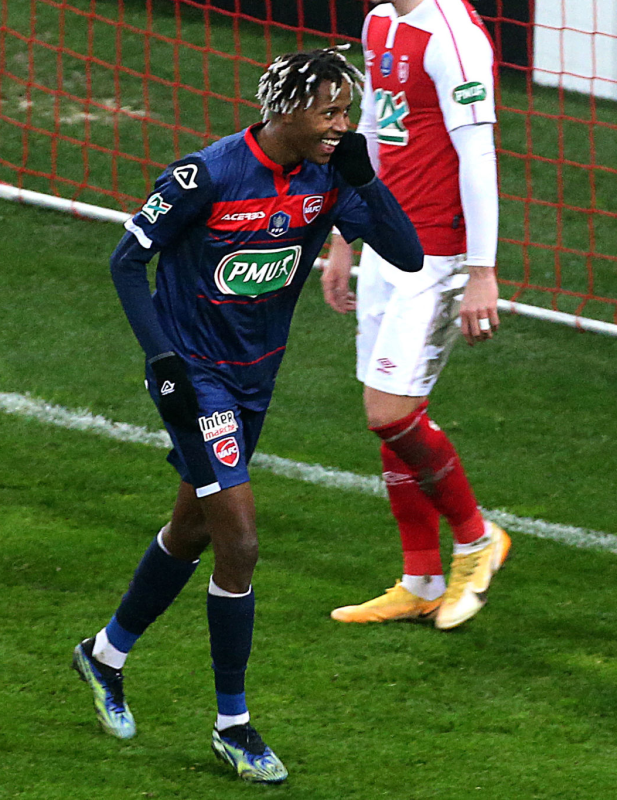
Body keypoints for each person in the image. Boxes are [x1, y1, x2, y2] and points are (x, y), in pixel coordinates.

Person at [72, 47, 423, 784]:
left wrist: (361, 177)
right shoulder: (208, 175)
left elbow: (407, 253)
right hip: (196, 379)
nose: (342, 123)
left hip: (255, 380)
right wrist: (163, 361)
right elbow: (125, 261)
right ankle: (234, 723)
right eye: (330, 112)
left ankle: (104, 655)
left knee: (191, 526)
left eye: (345, 111)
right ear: (286, 111)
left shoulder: (328, 178)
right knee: (241, 541)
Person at [324, 0, 510, 631]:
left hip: (437, 254)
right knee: (390, 411)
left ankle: (477, 538)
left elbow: (479, 156)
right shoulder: (380, 21)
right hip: (385, 240)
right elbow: (373, 137)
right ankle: (422, 579)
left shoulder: (455, 38)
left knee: (391, 410)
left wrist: (481, 271)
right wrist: (343, 238)